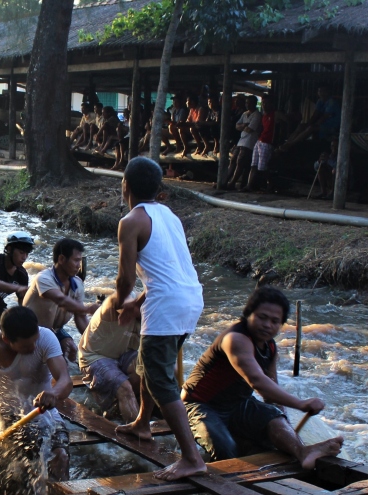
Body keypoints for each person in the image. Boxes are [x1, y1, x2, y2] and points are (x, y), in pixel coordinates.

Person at [112, 157, 206, 481]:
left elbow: (125, 279)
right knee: (151, 366)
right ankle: (142, 423)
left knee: (160, 379)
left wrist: (119, 301)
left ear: (125, 185)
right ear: (158, 190)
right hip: (190, 298)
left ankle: (192, 457)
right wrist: (137, 304)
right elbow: (167, 271)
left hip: (166, 304)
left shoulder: (130, 222)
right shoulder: (170, 216)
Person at [183, 286, 344, 466]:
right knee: (226, 449)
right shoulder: (235, 339)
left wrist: (286, 428)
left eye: (275, 321)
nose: (268, 325)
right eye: (262, 317)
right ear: (248, 314)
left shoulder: (271, 348)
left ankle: (303, 452)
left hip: (237, 404)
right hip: (200, 405)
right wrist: (300, 404)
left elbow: (271, 389)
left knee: (275, 419)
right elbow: (258, 382)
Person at [0, 306, 73, 482]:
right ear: (6, 339)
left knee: (61, 456)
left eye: (34, 341)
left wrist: (53, 393)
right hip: (3, 421)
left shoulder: (46, 337)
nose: (33, 347)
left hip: (44, 416)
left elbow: (65, 380)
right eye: (25, 346)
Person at [22, 238, 98, 362]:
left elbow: (80, 316)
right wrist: (89, 308)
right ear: (62, 259)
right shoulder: (43, 278)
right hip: (29, 332)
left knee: (71, 348)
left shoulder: (77, 283)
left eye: (80, 261)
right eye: (76, 260)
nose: (79, 265)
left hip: (54, 330)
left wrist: (94, 341)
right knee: (50, 362)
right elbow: (60, 300)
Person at [78, 294, 141, 423]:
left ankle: (122, 408)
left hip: (123, 355)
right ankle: (137, 433)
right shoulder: (114, 305)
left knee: (150, 373)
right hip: (94, 357)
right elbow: (118, 300)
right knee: (125, 387)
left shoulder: (152, 317)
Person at [280, 86, 340, 152]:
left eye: (323, 91)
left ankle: (291, 143)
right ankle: (287, 142)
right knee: (301, 126)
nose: (321, 93)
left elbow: (323, 118)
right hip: (322, 125)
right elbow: (314, 115)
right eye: (319, 91)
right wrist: (307, 124)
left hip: (332, 128)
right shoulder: (320, 101)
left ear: (328, 92)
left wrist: (311, 125)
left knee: (311, 128)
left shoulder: (331, 102)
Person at [225, 95, 262, 191]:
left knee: (240, 161)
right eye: (246, 103)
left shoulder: (257, 115)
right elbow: (236, 126)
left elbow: (250, 129)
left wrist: (243, 126)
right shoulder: (245, 114)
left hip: (250, 141)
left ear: (254, 104)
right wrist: (244, 126)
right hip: (241, 140)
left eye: (249, 103)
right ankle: (225, 180)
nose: (247, 105)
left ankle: (232, 182)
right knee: (233, 160)